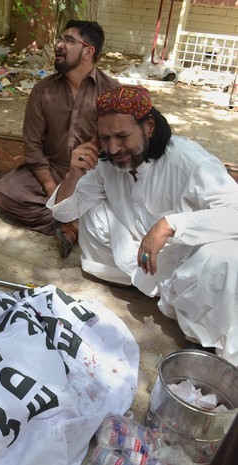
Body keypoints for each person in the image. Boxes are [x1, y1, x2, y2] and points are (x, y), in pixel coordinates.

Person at [48, 84, 238, 364]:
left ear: (148, 127)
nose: (113, 148)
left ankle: (204, 334)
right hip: (137, 255)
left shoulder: (189, 162)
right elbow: (64, 213)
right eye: (106, 138)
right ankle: (151, 287)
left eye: (122, 136)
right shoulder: (107, 162)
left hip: (185, 256)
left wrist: (169, 225)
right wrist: (73, 175)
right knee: (92, 213)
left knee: (223, 258)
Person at [0, 20, 119, 258]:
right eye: (60, 39)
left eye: (69, 40)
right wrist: (52, 188)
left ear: (88, 51)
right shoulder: (43, 90)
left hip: (93, 174)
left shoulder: (111, 91)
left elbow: (117, 142)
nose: (59, 45)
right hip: (53, 170)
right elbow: (32, 145)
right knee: (4, 190)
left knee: (122, 201)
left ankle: (70, 220)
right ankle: (74, 222)